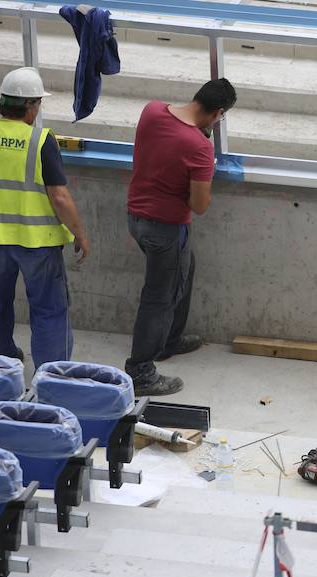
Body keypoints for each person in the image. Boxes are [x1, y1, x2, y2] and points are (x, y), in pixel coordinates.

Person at [0, 67, 90, 367]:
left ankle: (1, 365)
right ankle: (52, 374)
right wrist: (80, 234)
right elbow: (59, 197)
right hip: (38, 244)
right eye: (38, 103)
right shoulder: (41, 141)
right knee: (49, 310)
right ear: (30, 106)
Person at [125, 78, 237, 396]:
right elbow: (199, 205)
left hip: (136, 218)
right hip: (165, 228)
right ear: (217, 113)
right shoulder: (200, 148)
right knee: (159, 299)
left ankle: (169, 340)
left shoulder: (152, 111)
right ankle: (141, 371)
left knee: (185, 269)